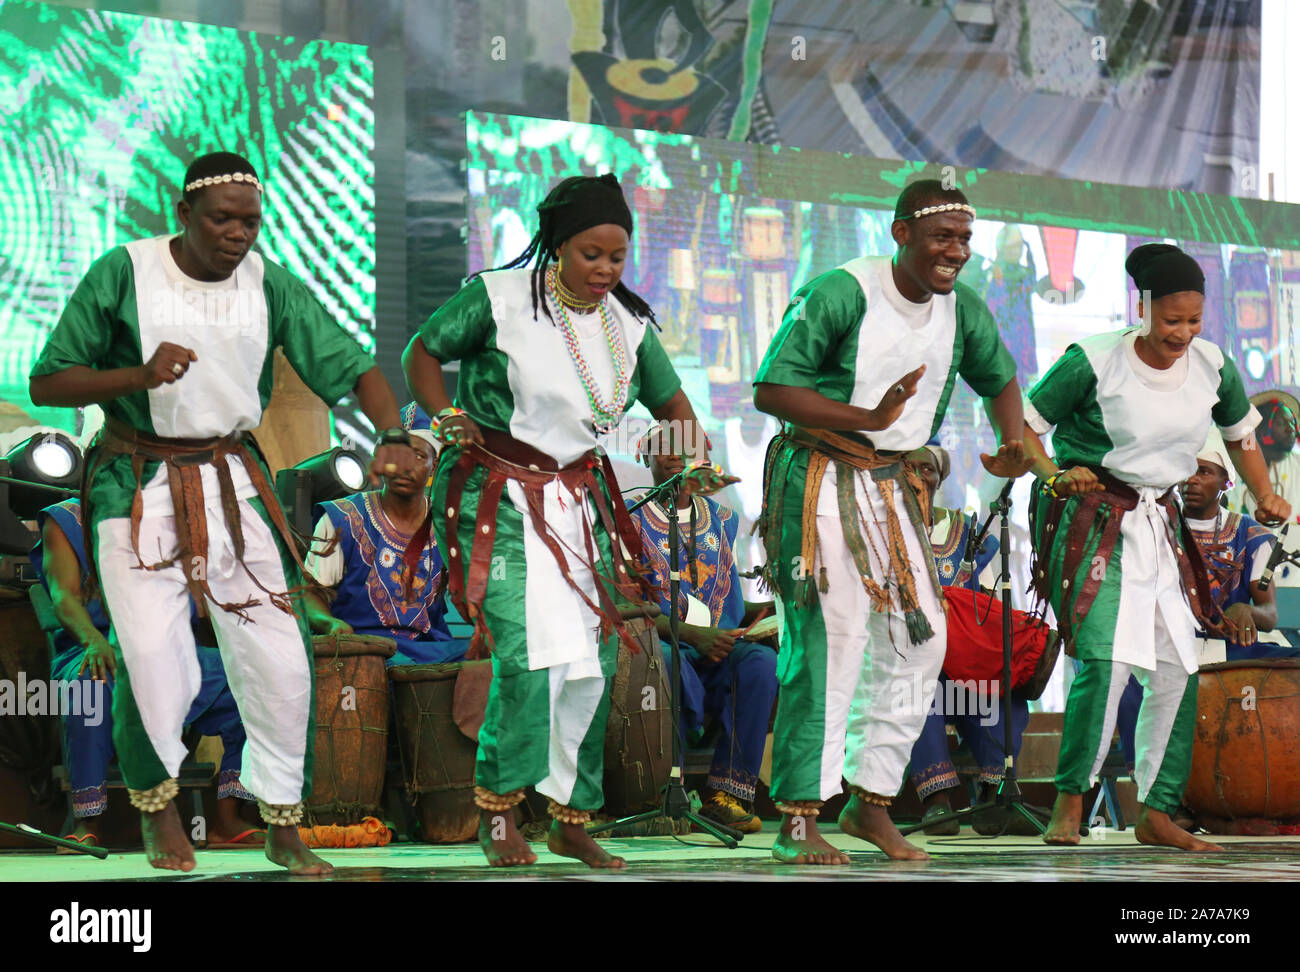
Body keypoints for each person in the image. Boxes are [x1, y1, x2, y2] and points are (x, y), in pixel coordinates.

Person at [28, 151, 412, 874]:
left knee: (281, 659)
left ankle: (281, 822)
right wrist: (137, 376)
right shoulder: (126, 270)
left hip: (232, 480)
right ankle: (157, 809)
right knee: (149, 655)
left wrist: (391, 433)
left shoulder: (270, 283)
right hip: (135, 481)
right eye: (221, 218)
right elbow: (47, 380)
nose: (238, 233)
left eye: (250, 221)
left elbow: (355, 368)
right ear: (183, 214)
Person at [402, 173, 732, 868]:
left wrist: (687, 460)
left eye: (616, 256)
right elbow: (422, 353)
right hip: (498, 493)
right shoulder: (499, 299)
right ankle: (498, 807)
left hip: (581, 501)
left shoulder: (629, 325)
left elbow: (674, 410)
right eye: (591, 254)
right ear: (557, 245)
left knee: (591, 660)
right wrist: (445, 416)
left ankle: (570, 815)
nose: (606, 270)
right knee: (526, 655)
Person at [753, 179, 1029, 864]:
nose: (956, 252)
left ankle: (869, 802)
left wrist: (1013, 442)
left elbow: (999, 380)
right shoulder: (841, 290)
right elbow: (773, 389)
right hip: (818, 473)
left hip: (889, 483)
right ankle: (796, 816)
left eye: (965, 239)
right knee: (830, 641)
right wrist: (869, 419)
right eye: (943, 237)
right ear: (901, 233)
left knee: (921, 640)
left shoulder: (961, 309)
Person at [1022, 242, 1291, 851]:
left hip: (1158, 522)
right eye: (1172, 320)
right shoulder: (1092, 360)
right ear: (1140, 305)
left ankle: (1156, 809)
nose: (1184, 333)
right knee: (1109, 662)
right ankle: (1069, 802)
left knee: (1179, 665)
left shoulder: (1211, 364)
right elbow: (1024, 427)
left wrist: (1265, 492)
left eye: (1194, 321)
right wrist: (1053, 474)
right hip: (1095, 518)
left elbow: (1241, 432)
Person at [32, 498, 260, 850]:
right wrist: (94, 641)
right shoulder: (66, 519)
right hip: (93, 646)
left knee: (248, 679)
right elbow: (64, 597)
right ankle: (86, 821)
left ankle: (227, 818)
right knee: (88, 686)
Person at [627, 423, 777, 834]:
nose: (674, 452)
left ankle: (725, 795)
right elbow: (627, 606)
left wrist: (774, 609)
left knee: (761, 663)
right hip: (663, 645)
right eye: (662, 446)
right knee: (663, 661)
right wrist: (694, 636)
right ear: (643, 456)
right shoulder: (629, 517)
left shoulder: (724, 519)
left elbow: (723, 595)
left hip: (721, 646)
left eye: (684, 446)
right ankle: (663, 791)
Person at [1116, 433, 1294, 769]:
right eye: (1185, 471)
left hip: (1232, 649)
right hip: (1171, 649)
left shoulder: (1250, 534)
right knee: (1126, 679)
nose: (1191, 480)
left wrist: (1246, 610)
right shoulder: (1159, 528)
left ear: (1226, 482)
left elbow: (1269, 615)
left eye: (1203, 472)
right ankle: (1148, 786)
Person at [303, 404, 466, 665]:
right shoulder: (344, 517)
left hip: (430, 651)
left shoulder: (449, 526)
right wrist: (329, 623)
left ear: (434, 466)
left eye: (416, 457)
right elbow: (307, 593)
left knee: (489, 662)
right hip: (365, 651)